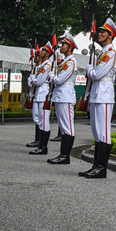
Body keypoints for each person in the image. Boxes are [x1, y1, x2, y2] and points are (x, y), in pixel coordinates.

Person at [80, 18, 116, 179]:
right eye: (100, 31)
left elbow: (97, 74)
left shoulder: (111, 53)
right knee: (97, 132)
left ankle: (101, 168)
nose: (100, 34)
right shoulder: (103, 53)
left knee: (104, 132)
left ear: (110, 36)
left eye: (103, 32)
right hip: (97, 94)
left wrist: (89, 69)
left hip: (104, 95)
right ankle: (96, 166)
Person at [47, 36, 78, 165]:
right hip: (60, 95)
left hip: (66, 95)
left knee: (67, 127)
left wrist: (51, 76)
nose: (61, 47)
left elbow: (59, 80)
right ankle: (62, 154)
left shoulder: (71, 62)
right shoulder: (65, 61)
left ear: (69, 48)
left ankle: (65, 156)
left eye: (64, 45)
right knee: (63, 126)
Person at [28, 42, 54, 156]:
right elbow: (32, 82)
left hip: (43, 94)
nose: (40, 52)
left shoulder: (47, 65)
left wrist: (33, 80)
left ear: (47, 54)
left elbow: (37, 81)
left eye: (43, 51)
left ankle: (43, 146)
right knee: (37, 118)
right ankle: (39, 143)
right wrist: (33, 80)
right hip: (38, 94)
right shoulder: (42, 66)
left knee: (43, 121)